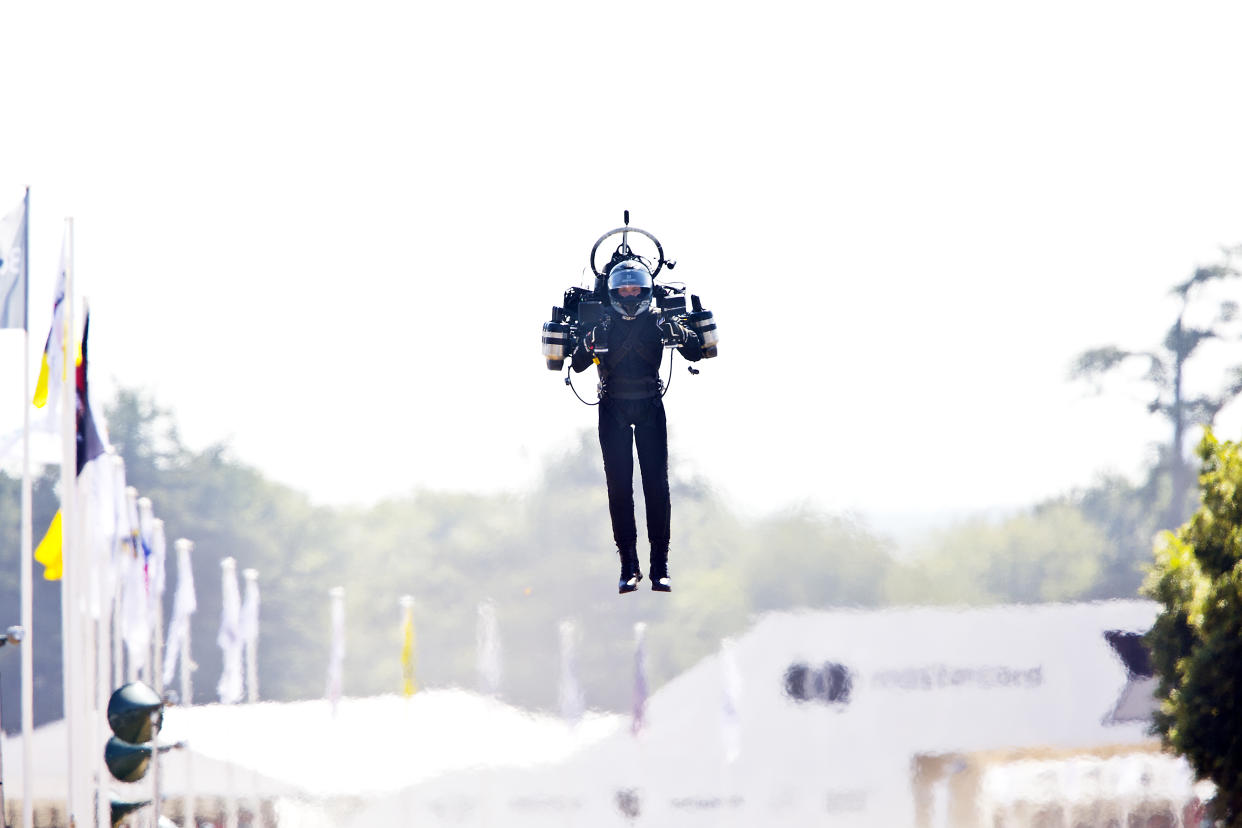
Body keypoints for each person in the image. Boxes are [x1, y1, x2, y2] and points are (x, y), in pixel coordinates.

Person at [571, 258, 702, 593]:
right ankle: (628, 566)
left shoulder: (659, 320)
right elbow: (578, 363)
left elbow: (696, 352)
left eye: (635, 287)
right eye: (623, 288)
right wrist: (589, 341)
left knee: (656, 487)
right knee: (619, 488)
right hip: (612, 407)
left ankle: (660, 566)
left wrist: (681, 332)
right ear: (613, 291)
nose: (629, 293)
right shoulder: (602, 322)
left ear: (646, 289)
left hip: (649, 407)